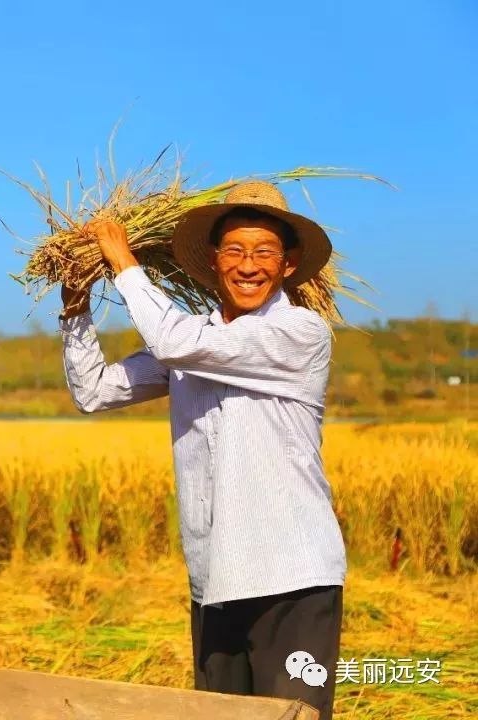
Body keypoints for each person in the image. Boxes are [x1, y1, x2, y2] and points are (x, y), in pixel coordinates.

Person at [60, 182, 345, 718]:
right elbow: (94, 391)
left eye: (264, 252)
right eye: (235, 251)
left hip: (292, 577)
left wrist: (120, 258)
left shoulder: (299, 333)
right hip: (215, 574)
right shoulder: (196, 337)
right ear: (213, 262)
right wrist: (75, 307)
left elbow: (173, 342)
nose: (249, 265)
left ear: (289, 264)